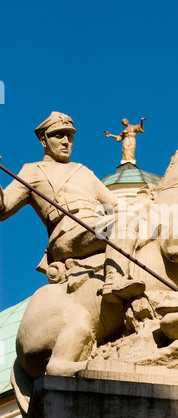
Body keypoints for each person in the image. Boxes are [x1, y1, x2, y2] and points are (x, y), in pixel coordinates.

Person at [0, 111, 145, 301]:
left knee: (141, 224)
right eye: (58, 135)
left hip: (95, 225)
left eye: (70, 136)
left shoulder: (83, 171)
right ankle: (113, 280)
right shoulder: (31, 171)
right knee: (121, 223)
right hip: (66, 235)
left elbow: (119, 207)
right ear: (44, 141)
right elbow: (3, 209)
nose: (66, 141)